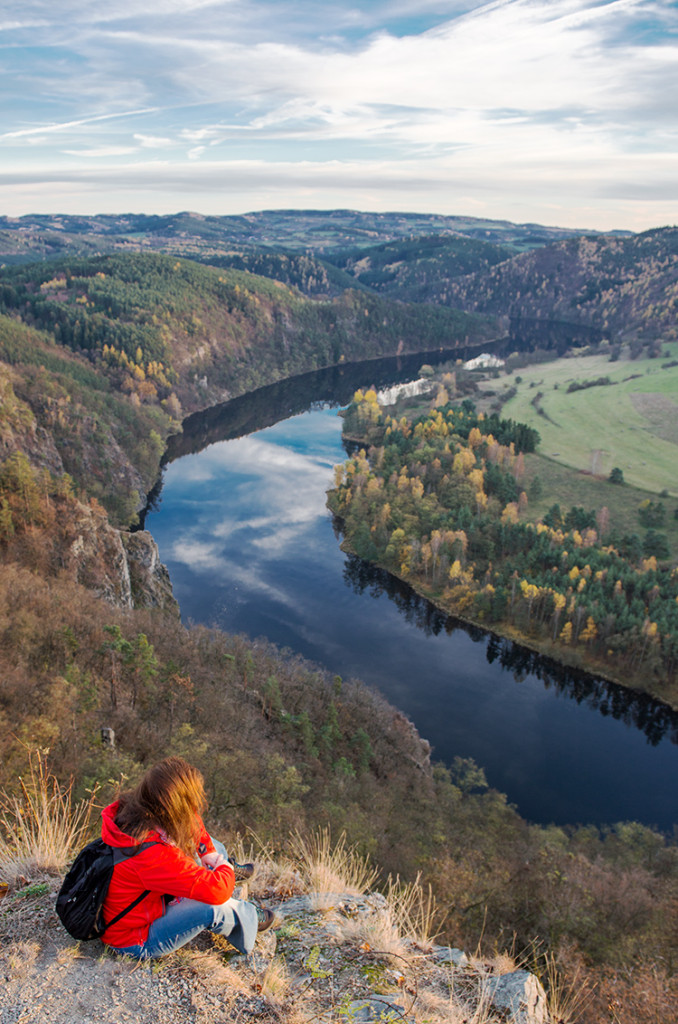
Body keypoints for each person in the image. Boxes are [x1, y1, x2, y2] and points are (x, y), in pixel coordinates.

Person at [99, 756, 275, 958]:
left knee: (215, 846)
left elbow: (189, 819)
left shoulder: (139, 811)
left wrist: (208, 851)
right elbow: (216, 893)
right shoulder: (150, 854)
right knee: (211, 906)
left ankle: (226, 871)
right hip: (136, 939)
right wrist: (222, 867)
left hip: (148, 901)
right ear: (173, 806)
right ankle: (247, 915)